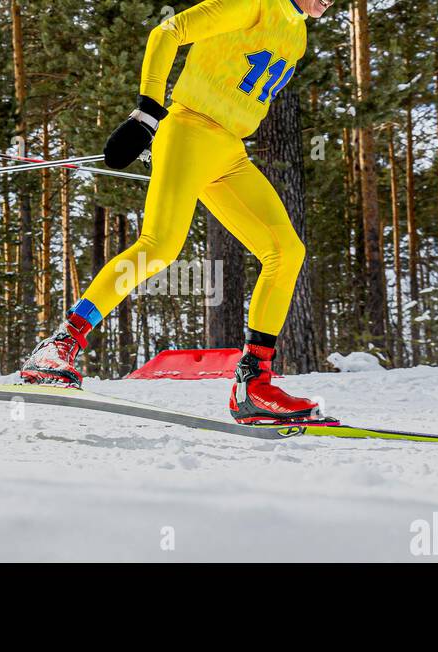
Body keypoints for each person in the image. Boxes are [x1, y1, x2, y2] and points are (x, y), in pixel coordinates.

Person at [21, 0, 337, 425]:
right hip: (189, 131)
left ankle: (253, 385)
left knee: (286, 251)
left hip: (229, 151)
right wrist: (148, 110)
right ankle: (59, 346)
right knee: (159, 247)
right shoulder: (253, 4)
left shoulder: (296, 33)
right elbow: (166, 33)